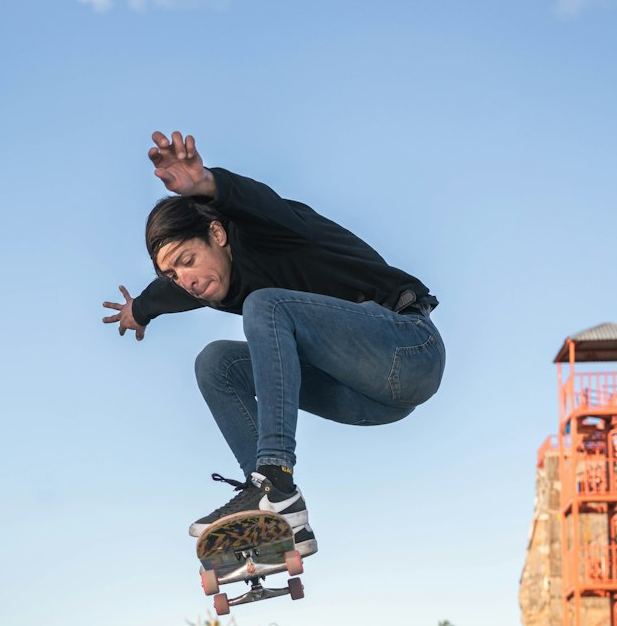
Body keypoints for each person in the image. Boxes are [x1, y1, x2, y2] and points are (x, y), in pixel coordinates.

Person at [103, 130, 445, 555]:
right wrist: (141, 309)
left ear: (218, 234)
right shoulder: (203, 280)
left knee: (264, 306)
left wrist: (207, 184)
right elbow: (171, 289)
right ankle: (278, 514)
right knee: (215, 362)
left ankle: (275, 478)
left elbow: (254, 202)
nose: (186, 282)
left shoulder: (268, 231)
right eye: (173, 274)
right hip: (365, 400)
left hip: (408, 350)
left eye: (188, 262)